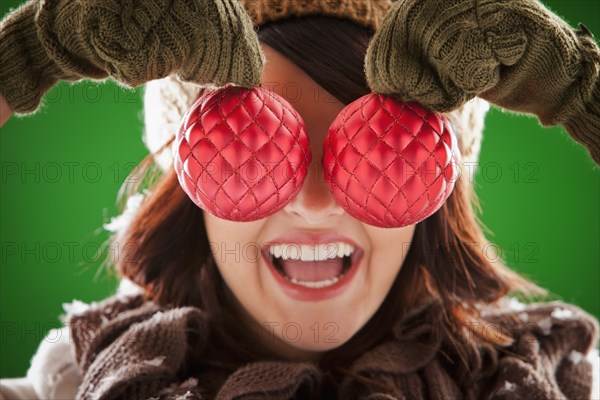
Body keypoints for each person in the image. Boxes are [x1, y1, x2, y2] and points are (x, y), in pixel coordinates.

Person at [0, 0, 599, 399]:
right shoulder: (76, 384)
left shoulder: (553, 380)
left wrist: (580, 89)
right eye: (247, 153)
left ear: (438, 192)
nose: (313, 206)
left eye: (382, 158)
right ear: (188, 182)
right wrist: (30, 52)